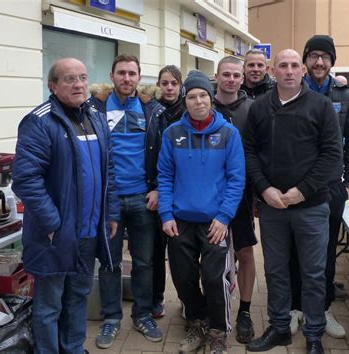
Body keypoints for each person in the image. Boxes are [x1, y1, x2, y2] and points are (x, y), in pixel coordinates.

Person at [11, 58, 119, 354]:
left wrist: (110, 213)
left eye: (83, 77)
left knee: (79, 296)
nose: (79, 84)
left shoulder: (96, 116)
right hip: (56, 235)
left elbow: (108, 170)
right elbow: (25, 180)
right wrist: (52, 224)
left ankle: (72, 347)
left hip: (89, 232)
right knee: (49, 304)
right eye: (69, 79)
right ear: (53, 86)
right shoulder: (40, 121)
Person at [244, 49, 343, 354]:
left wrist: (303, 190)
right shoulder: (260, 108)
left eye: (294, 66)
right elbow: (248, 152)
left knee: (313, 273)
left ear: (302, 70)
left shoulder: (321, 106)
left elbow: (331, 155)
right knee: (276, 270)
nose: (288, 71)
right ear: (273, 71)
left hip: (311, 207)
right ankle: (279, 327)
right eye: (282, 66)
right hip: (273, 208)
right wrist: (264, 189)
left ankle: (313, 333)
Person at [158, 70, 246, 354]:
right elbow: (164, 176)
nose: (198, 102)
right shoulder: (172, 134)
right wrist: (166, 214)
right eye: (192, 97)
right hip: (179, 220)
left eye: (203, 96)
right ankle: (195, 321)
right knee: (182, 276)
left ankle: (218, 330)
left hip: (214, 222)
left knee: (213, 277)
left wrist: (223, 217)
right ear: (186, 101)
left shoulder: (228, 134)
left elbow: (236, 179)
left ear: (211, 100)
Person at [288, 35, 349, 340]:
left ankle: (322, 308)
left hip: (331, 188)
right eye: (314, 56)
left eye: (325, 57)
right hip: (296, 186)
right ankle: (295, 307)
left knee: (326, 251)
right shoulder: (291, 90)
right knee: (294, 248)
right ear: (306, 60)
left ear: (333, 62)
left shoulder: (346, 97)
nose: (319, 62)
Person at [96, 54, 166, 348]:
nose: (127, 78)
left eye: (132, 73)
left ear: (140, 78)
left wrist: (159, 188)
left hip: (142, 197)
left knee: (144, 262)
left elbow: (165, 155)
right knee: (110, 263)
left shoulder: (153, 110)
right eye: (121, 73)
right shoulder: (94, 109)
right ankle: (111, 318)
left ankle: (143, 314)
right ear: (112, 76)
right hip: (107, 200)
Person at [213, 56, 257, 344]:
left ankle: (244, 310)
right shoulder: (202, 103)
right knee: (208, 255)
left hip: (241, 195)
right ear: (216, 76)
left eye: (236, 75)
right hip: (207, 196)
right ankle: (208, 306)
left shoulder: (253, 109)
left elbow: (260, 151)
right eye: (226, 74)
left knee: (244, 252)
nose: (231, 79)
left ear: (242, 79)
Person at [151, 65, 184, 319]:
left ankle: (187, 299)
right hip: (157, 189)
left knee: (182, 254)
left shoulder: (189, 111)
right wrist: (155, 188)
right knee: (155, 251)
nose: (169, 87)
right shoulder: (151, 111)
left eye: (174, 82)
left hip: (183, 193)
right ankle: (156, 298)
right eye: (165, 83)